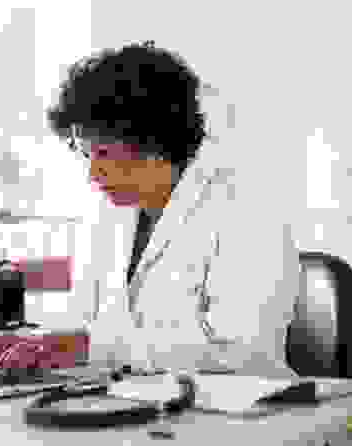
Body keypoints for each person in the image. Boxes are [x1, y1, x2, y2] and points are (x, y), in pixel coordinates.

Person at [44, 41, 300, 379]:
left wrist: (94, 349)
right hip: (134, 409)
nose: (93, 174)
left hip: (228, 417)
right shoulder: (113, 214)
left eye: (104, 153)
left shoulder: (245, 208)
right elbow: (87, 324)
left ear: (153, 142)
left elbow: (241, 353)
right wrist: (46, 347)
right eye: (86, 154)